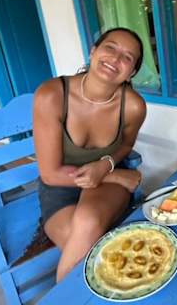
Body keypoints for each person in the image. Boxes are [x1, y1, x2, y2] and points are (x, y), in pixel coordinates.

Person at [34, 27, 147, 281]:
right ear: (93, 51)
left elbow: (125, 146)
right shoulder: (52, 95)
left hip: (106, 187)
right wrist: (112, 174)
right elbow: (50, 174)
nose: (116, 58)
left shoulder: (133, 106)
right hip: (61, 185)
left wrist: (105, 165)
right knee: (92, 256)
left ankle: (62, 298)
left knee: (87, 223)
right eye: (110, 47)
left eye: (127, 57)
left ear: (132, 72)